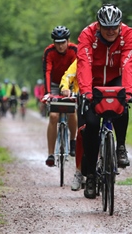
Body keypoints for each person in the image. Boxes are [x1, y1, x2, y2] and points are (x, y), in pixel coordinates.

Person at [76, 4, 132, 199]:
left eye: (115, 27)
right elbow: (84, 63)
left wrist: (128, 92)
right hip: (92, 83)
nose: (111, 31)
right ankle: (92, 176)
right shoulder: (87, 34)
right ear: (99, 26)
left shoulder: (128, 34)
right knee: (92, 126)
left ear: (120, 25)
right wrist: (86, 93)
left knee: (123, 101)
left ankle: (120, 146)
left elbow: (129, 64)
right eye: (106, 27)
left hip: (115, 79)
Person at [42, 25, 78, 167]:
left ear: (68, 41)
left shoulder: (75, 50)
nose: (60, 46)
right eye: (57, 42)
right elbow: (47, 72)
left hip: (70, 84)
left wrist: (74, 90)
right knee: (53, 116)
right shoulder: (49, 52)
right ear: (53, 43)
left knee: (72, 111)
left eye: (63, 42)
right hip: (55, 85)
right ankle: (51, 154)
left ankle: (73, 141)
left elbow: (78, 70)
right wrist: (47, 93)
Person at [60, 59, 86, 191]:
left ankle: (111, 159)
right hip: (84, 100)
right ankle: (79, 172)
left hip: (101, 99)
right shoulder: (80, 60)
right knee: (81, 135)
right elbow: (68, 76)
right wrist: (65, 88)